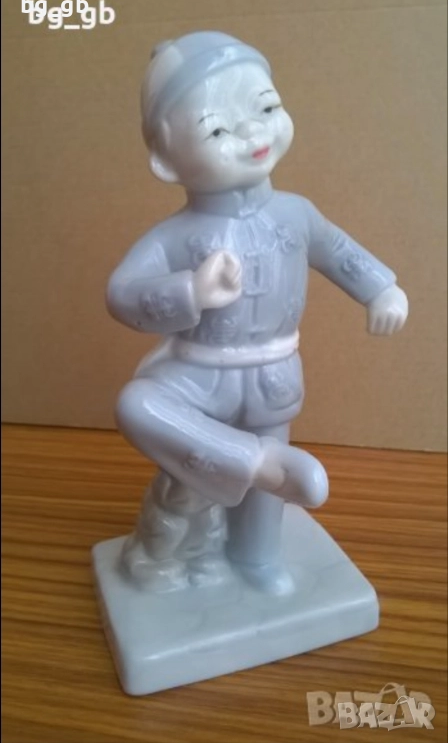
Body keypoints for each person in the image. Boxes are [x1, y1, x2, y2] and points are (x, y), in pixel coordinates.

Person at [107, 32, 408, 594]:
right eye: (217, 131)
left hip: (273, 373)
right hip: (197, 372)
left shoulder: (297, 215)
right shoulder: (174, 236)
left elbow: (340, 252)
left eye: (266, 108)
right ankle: (255, 462)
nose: (252, 134)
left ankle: (258, 557)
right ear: (166, 161)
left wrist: (382, 290)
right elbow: (122, 292)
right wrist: (191, 291)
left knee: (269, 498)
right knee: (136, 404)